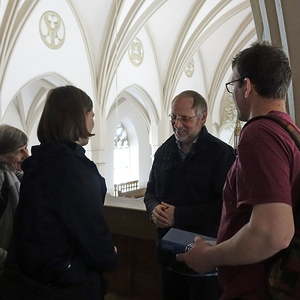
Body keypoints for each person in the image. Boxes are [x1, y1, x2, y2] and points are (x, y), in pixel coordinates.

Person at [178, 42, 300, 299]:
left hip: (256, 287)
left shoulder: (259, 133)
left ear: (247, 86)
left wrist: (209, 257)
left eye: (232, 86)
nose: (233, 94)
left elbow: (273, 232)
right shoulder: (288, 130)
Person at [3, 86, 118, 300]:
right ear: (79, 117)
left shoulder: (38, 162)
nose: (93, 120)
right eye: (91, 114)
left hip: (31, 277)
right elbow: (88, 225)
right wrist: (108, 256)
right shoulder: (73, 169)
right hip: (65, 281)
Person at [144, 90, 235, 300]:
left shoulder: (222, 154)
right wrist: (153, 209)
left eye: (185, 118)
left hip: (205, 265)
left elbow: (226, 208)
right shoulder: (163, 152)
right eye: (173, 117)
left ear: (203, 117)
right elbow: (150, 193)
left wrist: (179, 216)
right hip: (169, 260)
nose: (177, 124)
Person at [0, 125, 28, 273]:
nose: (26, 154)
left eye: (26, 148)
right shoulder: (2, 178)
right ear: (4, 153)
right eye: (20, 150)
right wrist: (9, 260)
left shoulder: (9, 173)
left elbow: (29, 176)